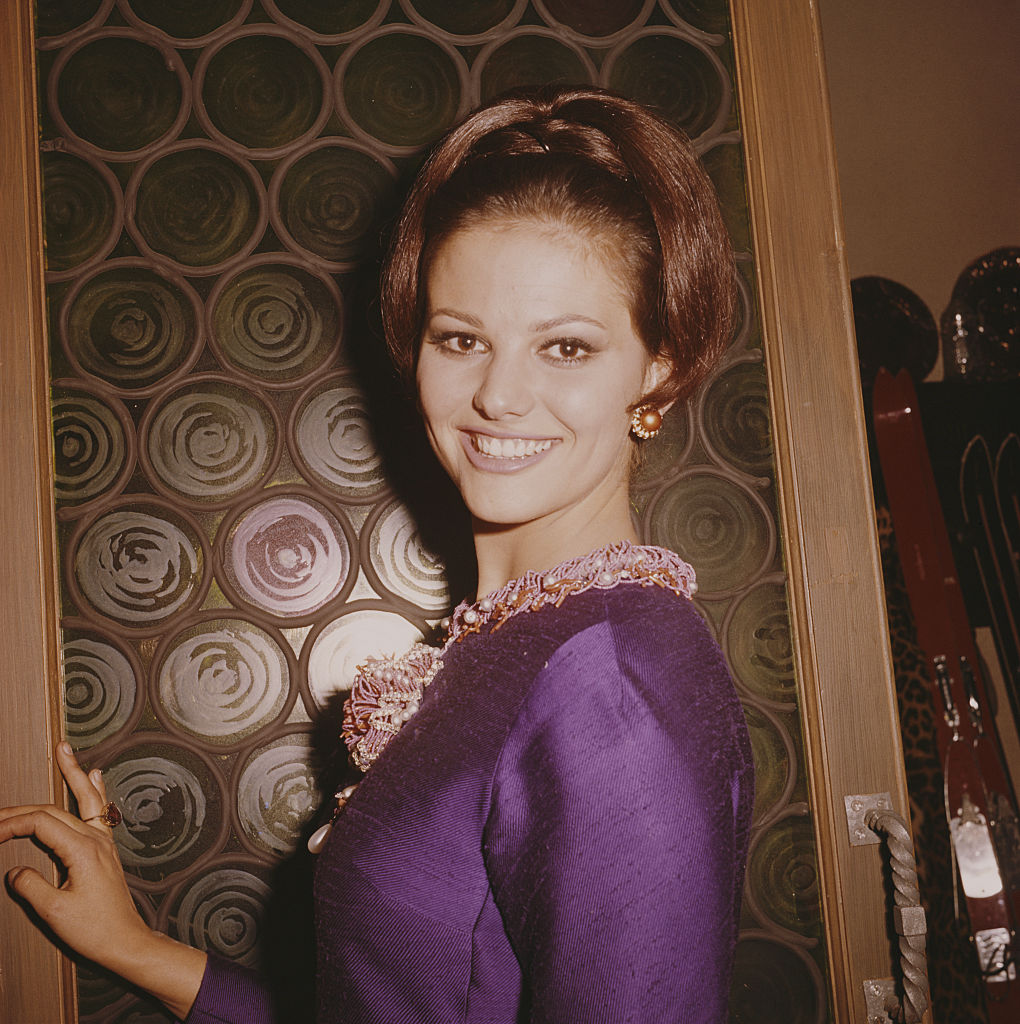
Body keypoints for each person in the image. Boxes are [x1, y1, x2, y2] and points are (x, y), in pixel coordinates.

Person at [0, 85, 753, 1023]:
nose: (499, 396)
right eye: (461, 339)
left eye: (565, 347)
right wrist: (136, 949)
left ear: (660, 366)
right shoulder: (518, 641)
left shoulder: (611, 678)